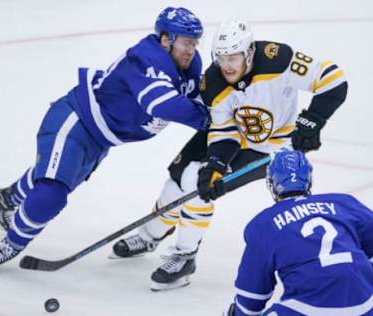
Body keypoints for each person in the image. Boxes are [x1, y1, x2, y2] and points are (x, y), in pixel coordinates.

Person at [111, 20, 349, 291]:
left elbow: (333, 78)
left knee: (196, 185)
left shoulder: (276, 58)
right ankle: (151, 234)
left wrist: (312, 120)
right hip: (233, 135)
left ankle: (185, 256)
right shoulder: (214, 81)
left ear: (249, 52)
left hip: (270, 149)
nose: (227, 65)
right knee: (177, 177)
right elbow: (224, 129)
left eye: (233, 57)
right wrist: (216, 162)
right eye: (222, 57)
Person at [0, 7, 208, 271]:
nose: (191, 49)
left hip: (100, 138)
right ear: (166, 39)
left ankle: (4, 200)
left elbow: (199, 95)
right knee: (52, 192)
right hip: (77, 121)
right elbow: (162, 104)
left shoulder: (188, 63)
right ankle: (11, 244)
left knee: (57, 174)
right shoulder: (145, 59)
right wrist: (210, 120)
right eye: (186, 42)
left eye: (195, 43)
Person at [223, 150, 373, 316]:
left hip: (308, 308)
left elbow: (251, 297)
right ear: (309, 179)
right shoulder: (343, 203)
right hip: (363, 306)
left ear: (272, 184)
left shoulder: (264, 224)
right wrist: (361, 285)